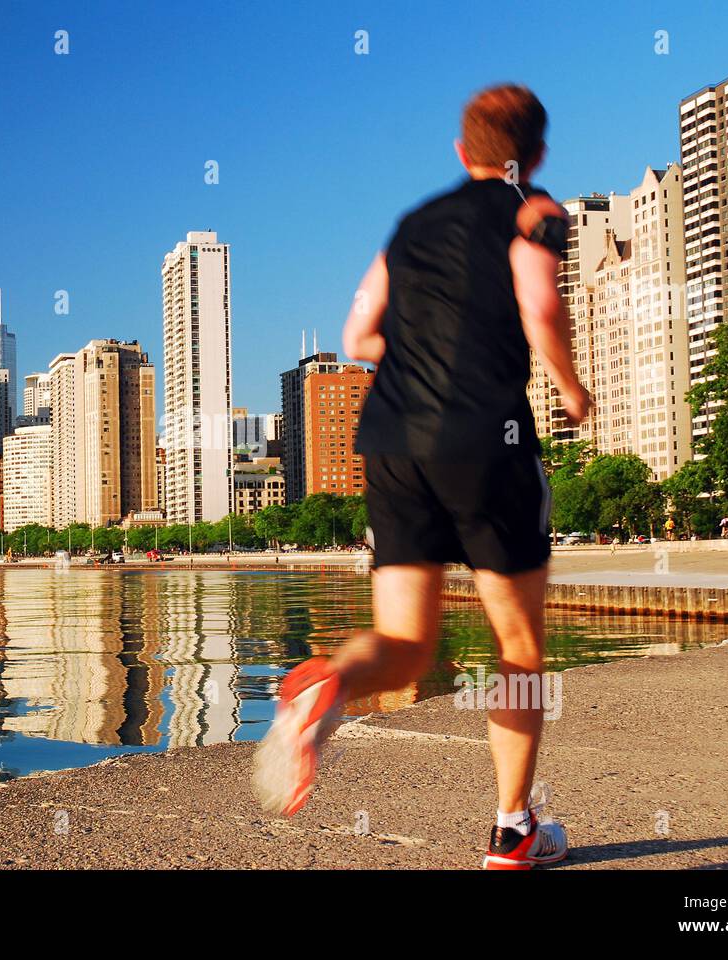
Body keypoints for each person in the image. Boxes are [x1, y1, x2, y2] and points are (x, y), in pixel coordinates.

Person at [251, 84, 591, 869]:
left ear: (459, 151)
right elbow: (540, 302)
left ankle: (325, 688)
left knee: (405, 643)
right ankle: (512, 830)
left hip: (396, 440)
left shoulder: (408, 228)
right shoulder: (535, 210)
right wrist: (571, 389)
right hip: (488, 440)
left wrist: (421, 359)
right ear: (534, 155)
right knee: (518, 647)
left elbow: (358, 333)